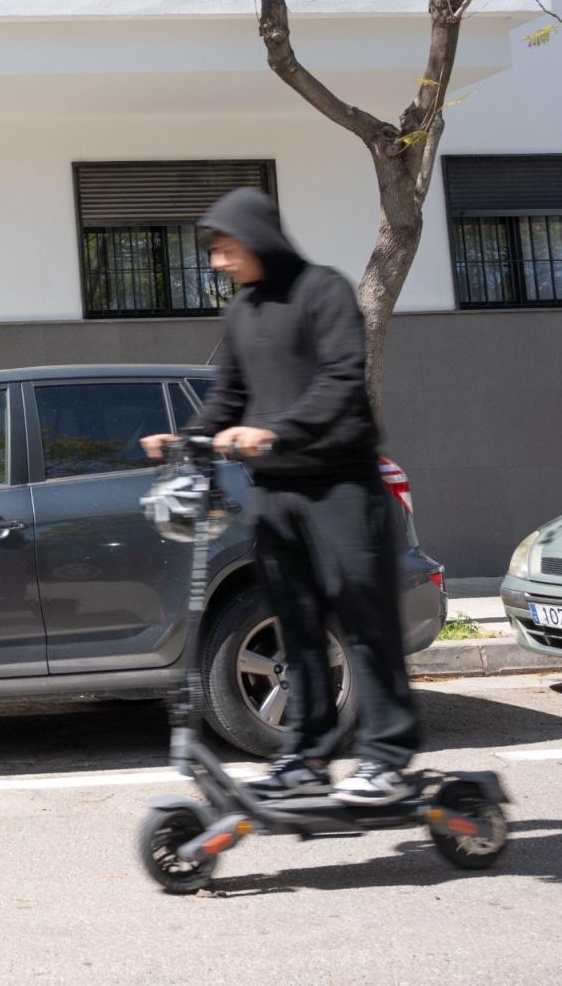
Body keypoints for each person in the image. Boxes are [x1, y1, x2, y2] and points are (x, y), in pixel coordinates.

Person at [144, 187, 419, 806]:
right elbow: (228, 397)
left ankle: (388, 759)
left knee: (364, 621)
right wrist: (187, 438)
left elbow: (342, 384)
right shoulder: (243, 312)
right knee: (296, 624)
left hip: (341, 485)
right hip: (277, 494)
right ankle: (309, 753)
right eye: (212, 253)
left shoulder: (324, 291)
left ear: (257, 237)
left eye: (225, 249)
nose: (217, 263)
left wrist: (276, 431)